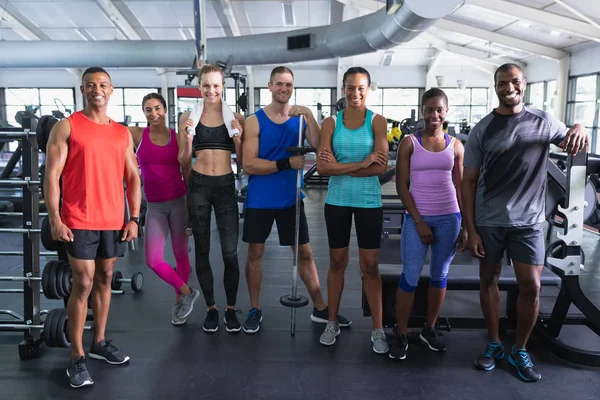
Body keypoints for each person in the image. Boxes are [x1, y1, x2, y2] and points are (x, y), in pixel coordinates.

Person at [462, 63, 589, 382]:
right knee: (488, 280)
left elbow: (570, 139)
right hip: (490, 220)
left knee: (530, 286)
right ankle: (493, 344)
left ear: (524, 83)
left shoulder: (543, 121)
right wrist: (470, 229)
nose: (509, 88)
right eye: (502, 83)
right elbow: (468, 182)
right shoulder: (483, 129)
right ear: (496, 87)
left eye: (515, 82)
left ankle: (519, 349)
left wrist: (580, 126)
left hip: (529, 223)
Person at [44, 67, 142, 388]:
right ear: (83, 90)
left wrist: (134, 217)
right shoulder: (67, 126)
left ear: (111, 90)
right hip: (79, 219)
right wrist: (55, 218)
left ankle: (99, 342)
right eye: (90, 85)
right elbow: (52, 177)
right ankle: (76, 355)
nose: (96, 90)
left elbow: (132, 177)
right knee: (82, 283)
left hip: (113, 221)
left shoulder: (121, 133)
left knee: (104, 279)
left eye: (102, 85)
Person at [241, 65, 351, 333]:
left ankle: (321, 308)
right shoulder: (255, 121)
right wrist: (285, 164)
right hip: (259, 199)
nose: (284, 89)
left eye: (288, 85)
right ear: (269, 86)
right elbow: (248, 164)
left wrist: (311, 115)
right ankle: (255, 308)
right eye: (279, 84)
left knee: (304, 253)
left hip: (291, 198)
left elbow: (316, 144)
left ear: (293, 88)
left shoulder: (300, 120)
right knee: (255, 253)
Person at [388, 88, 467, 361]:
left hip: (450, 217)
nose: (434, 114)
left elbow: (461, 187)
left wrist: (466, 226)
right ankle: (399, 332)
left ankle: (429, 328)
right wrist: (419, 222)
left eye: (439, 109)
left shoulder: (456, 145)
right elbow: (401, 185)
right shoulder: (409, 143)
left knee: (439, 275)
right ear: (422, 111)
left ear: (446, 112)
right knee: (409, 276)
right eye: (429, 109)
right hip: (416, 217)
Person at [316, 67, 388, 353]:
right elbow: (322, 168)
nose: (354, 93)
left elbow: (381, 167)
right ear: (342, 89)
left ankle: (378, 329)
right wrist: (361, 164)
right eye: (349, 87)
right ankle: (331, 321)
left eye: (360, 88)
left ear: (368, 89)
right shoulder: (330, 123)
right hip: (337, 202)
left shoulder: (378, 121)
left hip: (370, 202)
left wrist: (341, 168)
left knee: (370, 266)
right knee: (337, 263)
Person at [178, 64, 245, 333]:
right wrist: (187, 136)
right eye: (206, 85)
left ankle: (230, 309)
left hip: (226, 185)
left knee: (230, 253)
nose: (211, 90)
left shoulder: (235, 116)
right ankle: (211, 309)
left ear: (223, 87)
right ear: (200, 87)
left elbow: (242, 160)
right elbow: (183, 160)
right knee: (203, 251)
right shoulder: (188, 117)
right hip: (199, 187)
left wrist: (238, 136)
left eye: (216, 85)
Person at [128, 93, 200, 326]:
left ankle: (180, 303)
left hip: (179, 202)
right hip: (155, 206)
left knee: (181, 255)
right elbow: (109, 131)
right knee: (152, 259)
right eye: (148, 110)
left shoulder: (176, 137)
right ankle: (188, 292)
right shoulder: (138, 134)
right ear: (144, 113)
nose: (154, 114)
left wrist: (192, 204)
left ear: (165, 109)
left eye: (157, 108)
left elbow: (187, 168)